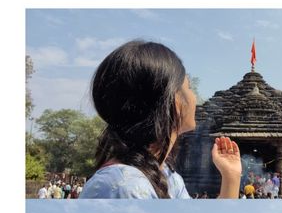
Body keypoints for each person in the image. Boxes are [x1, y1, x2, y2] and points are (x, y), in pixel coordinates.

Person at [80, 40, 241, 199]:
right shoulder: (124, 186)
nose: (194, 98)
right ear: (172, 99)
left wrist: (231, 177)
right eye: (189, 88)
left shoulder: (168, 177)